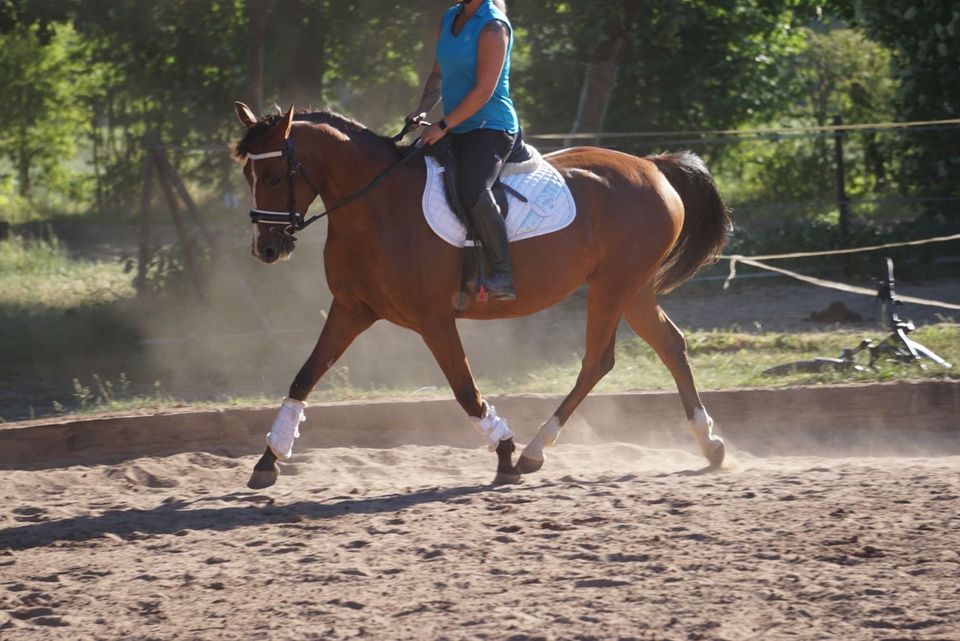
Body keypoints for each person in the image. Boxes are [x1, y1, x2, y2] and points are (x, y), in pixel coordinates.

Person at [407, 0, 518, 300]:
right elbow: (438, 74)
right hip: (455, 125)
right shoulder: (450, 16)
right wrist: (422, 110)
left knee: (472, 189)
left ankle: (502, 275)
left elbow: (484, 91)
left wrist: (442, 126)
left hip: (491, 128)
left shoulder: (494, 27)